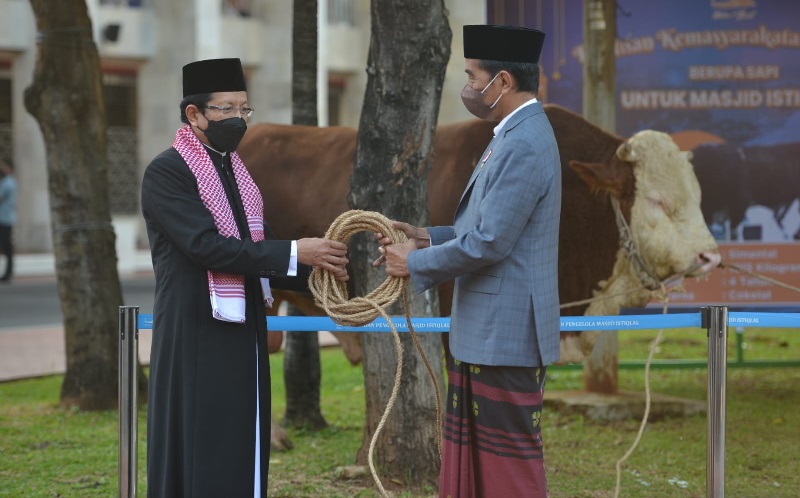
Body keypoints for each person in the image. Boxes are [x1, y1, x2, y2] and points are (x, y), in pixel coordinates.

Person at [140, 57, 349, 498]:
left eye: (244, 109)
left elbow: (261, 249)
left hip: (243, 328)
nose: (238, 119)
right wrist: (296, 250)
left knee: (242, 439)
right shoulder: (168, 172)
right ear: (193, 114)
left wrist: (324, 271)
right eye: (226, 109)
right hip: (196, 328)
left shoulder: (235, 171)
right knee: (205, 440)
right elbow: (205, 247)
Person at [374, 25, 561, 498]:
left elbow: (491, 243)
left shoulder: (523, 142)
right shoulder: (512, 133)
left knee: (508, 471)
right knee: (481, 465)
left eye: (472, 76)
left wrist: (414, 264)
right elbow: (487, 229)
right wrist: (424, 236)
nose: (468, 87)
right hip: (489, 332)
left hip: (506, 332)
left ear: (501, 82)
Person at [0, 159, 16, 283]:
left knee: (5, 245)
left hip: (4, 218)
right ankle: (8, 272)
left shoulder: (8, 183)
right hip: (6, 218)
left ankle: (8, 272)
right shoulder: (10, 182)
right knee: (7, 247)